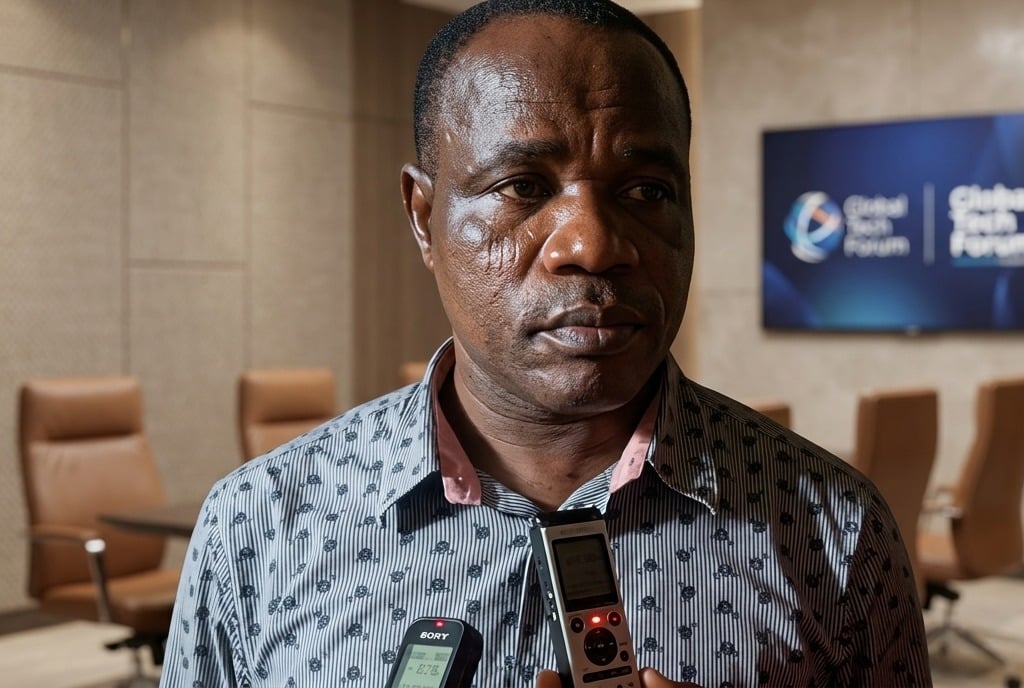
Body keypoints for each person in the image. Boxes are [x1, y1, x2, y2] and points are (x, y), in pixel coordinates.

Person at [161, 0, 932, 686]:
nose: (592, 245)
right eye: (522, 187)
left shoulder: (833, 529)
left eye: (646, 192)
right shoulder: (259, 526)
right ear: (422, 217)